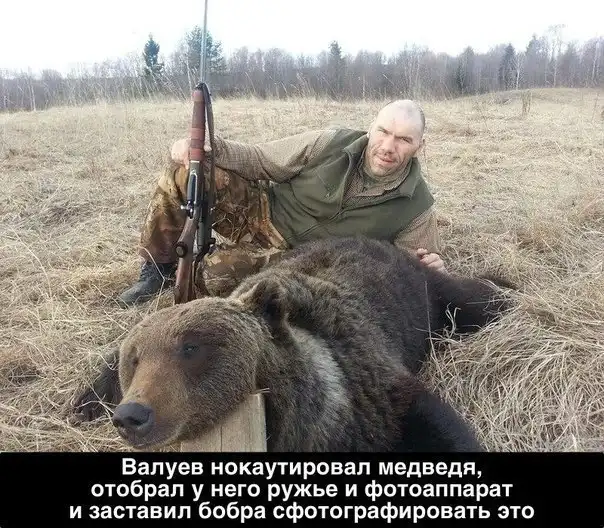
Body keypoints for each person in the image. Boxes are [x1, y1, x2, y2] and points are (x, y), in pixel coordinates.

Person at [117, 99, 446, 307]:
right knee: (185, 172)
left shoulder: (416, 208)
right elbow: (260, 159)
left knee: (216, 274)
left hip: (299, 258)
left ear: (420, 146)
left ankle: (205, 267)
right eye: (384, 132)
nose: (388, 146)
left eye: (404, 139)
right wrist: (205, 146)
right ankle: (157, 268)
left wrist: (433, 269)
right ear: (371, 128)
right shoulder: (330, 143)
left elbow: (409, 271)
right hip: (263, 212)